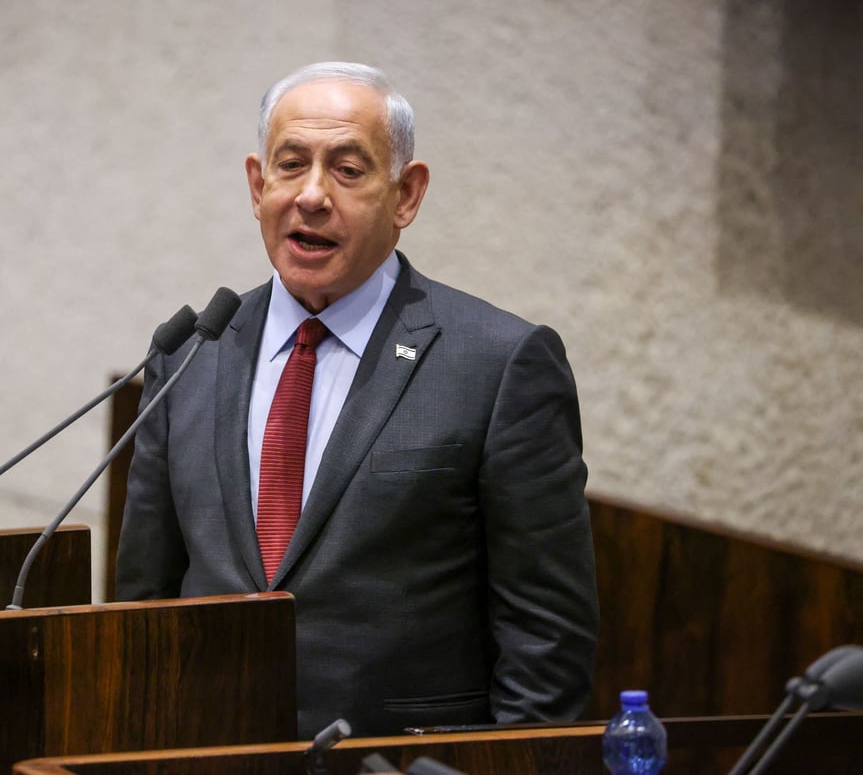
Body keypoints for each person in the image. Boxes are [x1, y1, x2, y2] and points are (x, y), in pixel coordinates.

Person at [115, 62, 599, 738]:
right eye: (291, 165)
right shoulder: (192, 351)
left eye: (347, 170)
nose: (312, 195)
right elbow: (144, 600)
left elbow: (546, 635)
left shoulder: (497, 363)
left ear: (406, 195)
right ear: (258, 186)